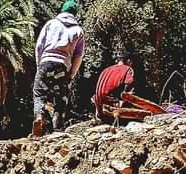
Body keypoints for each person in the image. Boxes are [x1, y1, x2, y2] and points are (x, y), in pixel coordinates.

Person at [32, 0, 85, 137]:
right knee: (61, 96)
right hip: (62, 65)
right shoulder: (78, 30)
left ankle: (39, 116)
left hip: (46, 62)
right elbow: (78, 56)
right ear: (75, 13)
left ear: (62, 10)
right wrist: (71, 74)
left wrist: (39, 65)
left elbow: (39, 46)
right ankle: (57, 125)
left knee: (39, 94)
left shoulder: (51, 23)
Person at [93, 51, 136, 123]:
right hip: (112, 103)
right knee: (132, 93)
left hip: (99, 103)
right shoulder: (128, 69)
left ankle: (100, 116)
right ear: (129, 61)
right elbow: (128, 85)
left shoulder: (106, 69)